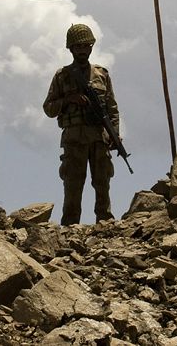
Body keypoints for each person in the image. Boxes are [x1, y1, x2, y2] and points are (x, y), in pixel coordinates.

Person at [43, 24, 121, 225]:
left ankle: (105, 223)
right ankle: (70, 226)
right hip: (74, 139)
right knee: (73, 184)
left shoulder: (102, 74)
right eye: (78, 46)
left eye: (86, 46)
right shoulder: (62, 76)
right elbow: (49, 108)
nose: (83, 50)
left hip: (99, 137)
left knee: (102, 182)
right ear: (71, 48)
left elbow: (112, 108)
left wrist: (115, 134)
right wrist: (68, 100)